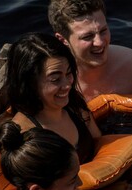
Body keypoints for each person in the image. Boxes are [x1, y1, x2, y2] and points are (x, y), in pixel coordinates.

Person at [7, 32, 101, 164]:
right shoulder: (25, 137)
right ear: (30, 84)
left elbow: (100, 145)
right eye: (55, 79)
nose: (67, 85)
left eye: (68, 73)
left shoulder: (75, 107)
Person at [48, 0, 132, 101]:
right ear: (62, 39)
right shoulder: (51, 87)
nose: (99, 42)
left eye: (103, 31)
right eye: (87, 36)